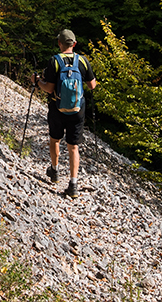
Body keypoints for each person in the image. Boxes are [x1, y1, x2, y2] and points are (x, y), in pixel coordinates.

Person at [37, 28, 97, 197]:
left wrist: (38, 82)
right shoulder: (83, 61)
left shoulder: (54, 61)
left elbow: (49, 88)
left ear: (59, 43)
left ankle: (55, 172)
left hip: (57, 107)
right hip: (78, 109)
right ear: (74, 44)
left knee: (55, 139)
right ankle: (73, 184)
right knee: (73, 146)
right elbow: (92, 86)